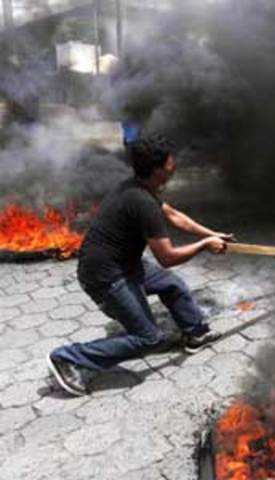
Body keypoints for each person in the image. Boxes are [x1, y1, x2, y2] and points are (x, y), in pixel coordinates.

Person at [47, 134, 233, 396]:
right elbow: (167, 257)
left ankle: (195, 333)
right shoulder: (142, 202)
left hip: (125, 264)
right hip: (104, 277)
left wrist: (211, 234)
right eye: (170, 162)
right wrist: (204, 246)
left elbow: (174, 216)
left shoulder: (139, 187)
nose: (174, 164)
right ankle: (68, 358)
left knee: (172, 284)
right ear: (158, 170)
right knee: (148, 338)